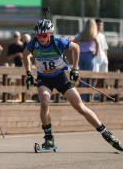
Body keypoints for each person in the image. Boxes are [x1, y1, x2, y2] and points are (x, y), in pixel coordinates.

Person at [22, 18, 123, 152]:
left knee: (81, 108)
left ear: (50, 34)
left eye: (44, 35)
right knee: (44, 103)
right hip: (44, 78)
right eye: (38, 35)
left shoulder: (58, 42)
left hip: (60, 77)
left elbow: (76, 47)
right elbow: (25, 55)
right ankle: (49, 138)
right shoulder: (33, 43)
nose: (41, 38)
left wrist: (75, 69)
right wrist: (28, 73)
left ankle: (105, 133)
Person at [73, 19, 99, 101]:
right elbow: (98, 43)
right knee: (89, 77)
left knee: (82, 76)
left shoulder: (81, 33)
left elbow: (73, 42)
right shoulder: (93, 34)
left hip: (81, 55)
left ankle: (82, 96)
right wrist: (96, 53)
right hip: (89, 55)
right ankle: (89, 97)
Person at [94, 18, 109, 89]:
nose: (99, 26)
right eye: (98, 25)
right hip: (95, 59)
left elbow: (105, 48)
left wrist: (106, 58)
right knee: (95, 77)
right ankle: (92, 94)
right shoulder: (92, 35)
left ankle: (98, 93)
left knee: (102, 77)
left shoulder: (102, 36)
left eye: (100, 25)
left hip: (103, 59)